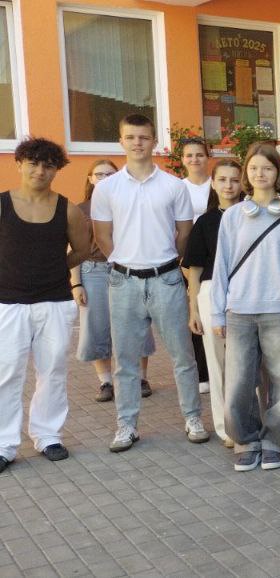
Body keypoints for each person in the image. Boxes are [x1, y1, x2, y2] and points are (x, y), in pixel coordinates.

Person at [91, 114, 208, 452]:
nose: (137, 143)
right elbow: (102, 235)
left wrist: (165, 260)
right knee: (125, 360)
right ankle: (127, 425)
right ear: (121, 141)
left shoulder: (173, 186)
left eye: (143, 137)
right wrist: (124, 261)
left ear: (154, 141)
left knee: (183, 356)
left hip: (166, 279)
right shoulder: (106, 188)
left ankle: (193, 418)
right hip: (124, 281)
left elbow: (184, 234)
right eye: (130, 137)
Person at [210, 142, 280, 472]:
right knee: (238, 384)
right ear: (246, 174)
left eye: (267, 168)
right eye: (253, 168)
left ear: (277, 173)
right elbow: (221, 267)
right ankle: (246, 440)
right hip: (239, 311)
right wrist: (217, 312)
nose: (260, 173)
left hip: (279, 311)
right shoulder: (233, 216)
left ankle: (273, 442)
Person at [0, 137, 91, 472]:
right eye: (33, 163)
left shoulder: (67, 209)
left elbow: (82, 250)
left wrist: (52, 269)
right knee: (7, 372)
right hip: (8, 302)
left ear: (56, 170)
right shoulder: (2, 205)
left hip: (54, 300)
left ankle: (48, 435)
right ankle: (4, 444)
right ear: (19, 164)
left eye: (48, 165)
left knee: (52, 370)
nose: (40, 171)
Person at [72, 160, 155, 404]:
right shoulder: (80, 210)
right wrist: (76, 283)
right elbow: (74, 248)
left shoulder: (129, 203)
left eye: (110, 174)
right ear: (90, 178)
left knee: (137, 322)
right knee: (97, 325)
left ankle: (141, 378)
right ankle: (106, 382)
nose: (104, 178)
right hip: (94, 271)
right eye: (99, 174)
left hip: (129, 269)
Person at [183, 159, 246, 448]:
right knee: (218, 363)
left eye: (234, 179)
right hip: (211, 294)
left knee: (248, 362)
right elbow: (194, 270)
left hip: (247, 293)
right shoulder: (206, 222)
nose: (229, 185)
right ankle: (226, 428)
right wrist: (194, 309)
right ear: (213, 183)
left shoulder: (252, 215)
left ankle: (250, 421)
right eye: (222, 179)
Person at [178, 138, 213, 394]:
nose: (194, 159)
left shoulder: (217, 184)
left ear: (207, 157)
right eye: (189, 155)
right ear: (182, 159)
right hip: (187, 259)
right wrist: (182, 263)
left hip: (215, 256)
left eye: (199, 154)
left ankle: (219, 369)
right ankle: (202, 373)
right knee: (195, 313)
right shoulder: (178, 188)